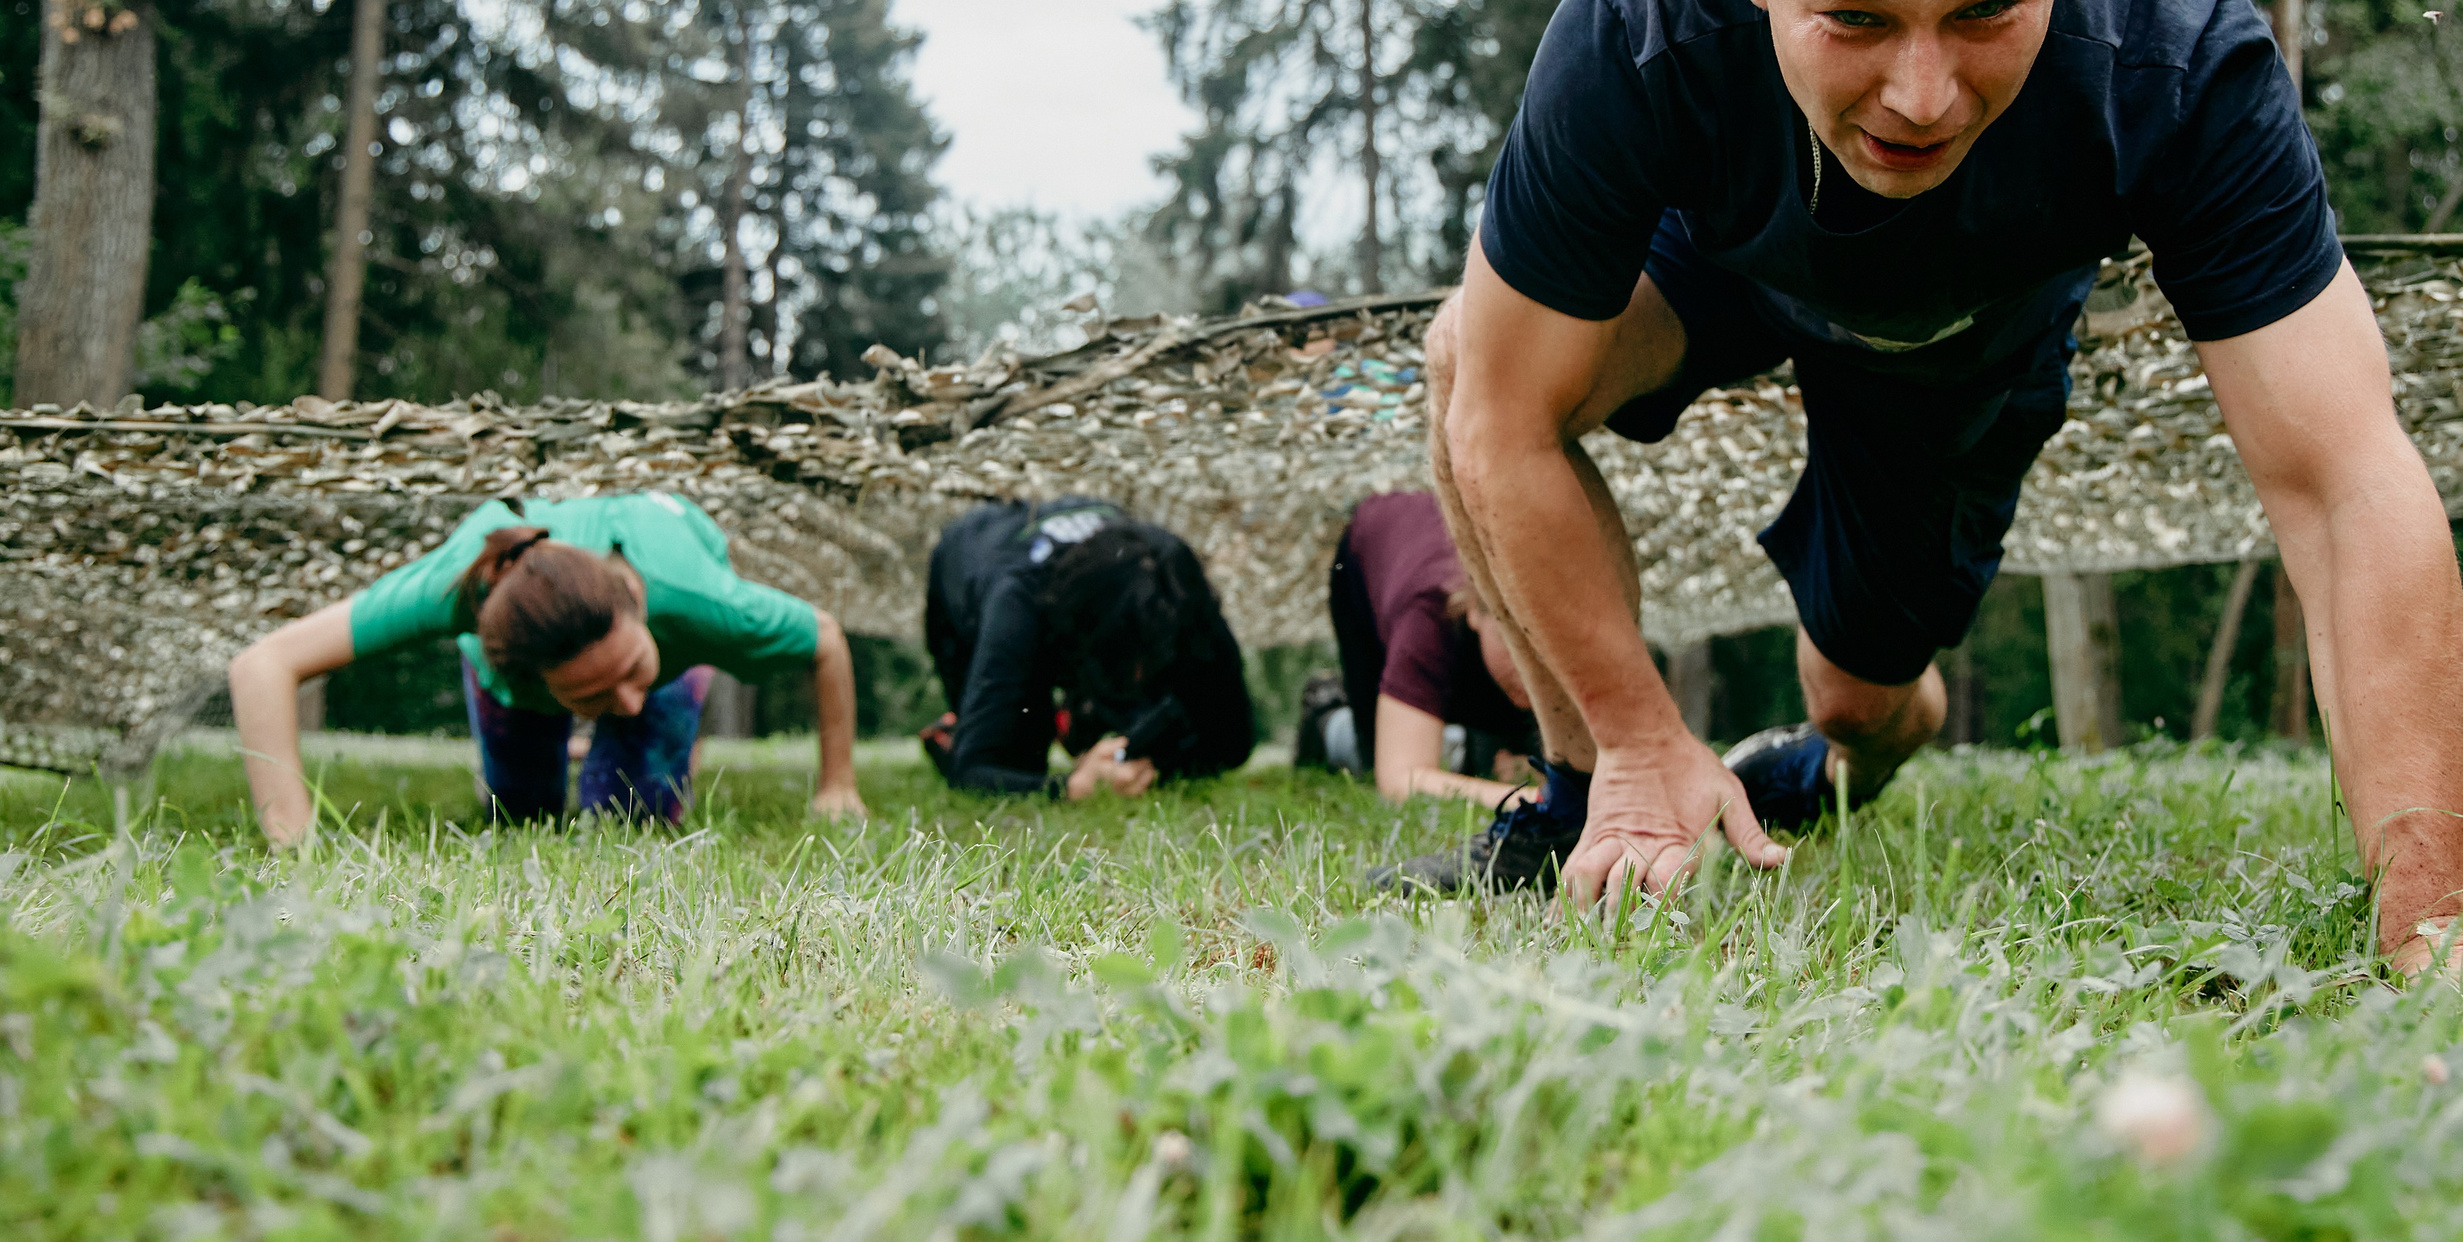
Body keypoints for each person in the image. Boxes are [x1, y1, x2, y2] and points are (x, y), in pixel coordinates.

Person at [1398, 0, 2463, 979]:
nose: (1920, 97)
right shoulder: (1637, 23)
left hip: (1962, 336)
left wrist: (2431, 927)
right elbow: (1503, 416)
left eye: (1988, 9)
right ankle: (1586, 795)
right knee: (1467, 353)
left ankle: (1841, 747)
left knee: (1860, 694)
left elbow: (2346, 480)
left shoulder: (2171, 47)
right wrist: (1636, 734)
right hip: (1718, 266)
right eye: (1856, 19)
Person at [227, 490, 865, 842]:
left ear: (635, 602)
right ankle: (550, 730)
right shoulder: (457, 586)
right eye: (592, 692)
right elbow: (263, 664)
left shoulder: (702, 602)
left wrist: (838, 785)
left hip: (675, 642)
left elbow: (827, 641)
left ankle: (658, 715)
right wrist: (291, 837)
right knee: (521, 818)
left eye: (630, 668)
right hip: (517, 680)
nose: (628, 700)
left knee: (634, 818)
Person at [920, 497, 1256, 797]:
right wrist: (1072, 787)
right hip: (971, 559)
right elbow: (974, 772)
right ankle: (960, 729)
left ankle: (1081, 725)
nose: (1140, 675)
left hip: (1090, 606)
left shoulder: (1177, 588)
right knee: (1020, 754)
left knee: (1173, 724)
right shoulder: (1016, 610)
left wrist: (1153, 760)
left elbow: (1234, 742)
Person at [1309, 491, 1541, 807]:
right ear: (1475, 610)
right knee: (1372, 760)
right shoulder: (1426, 621)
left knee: (1496, 762)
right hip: (1368, 561)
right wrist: (1539, 801)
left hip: (1476, 660)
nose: (1534, 669)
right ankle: (1327, 720)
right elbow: (1400, 780)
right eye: (1515, 644)